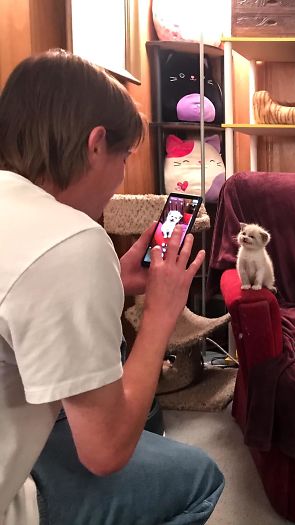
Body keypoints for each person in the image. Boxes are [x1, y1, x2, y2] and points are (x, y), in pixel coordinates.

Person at [0, 50, 224, 524]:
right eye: (124, 157)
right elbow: (104, 452)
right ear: (96, 144)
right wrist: (162, 313)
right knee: (203, 479)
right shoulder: (70, 240)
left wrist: (114, 281)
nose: (121, 174)